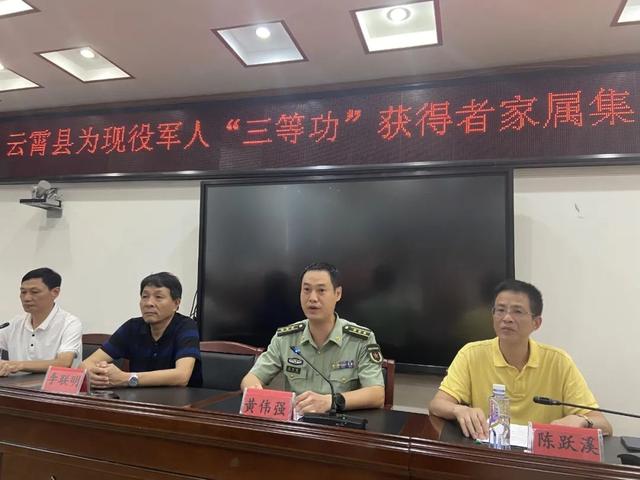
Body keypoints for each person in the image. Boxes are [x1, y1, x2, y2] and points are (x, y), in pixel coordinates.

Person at [429, 279, 612, 438]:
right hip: (490, 454)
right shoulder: (471, 354)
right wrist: (459, 409)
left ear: (536, 323)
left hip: (539, 459)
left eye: (517, 311)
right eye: (500, 310)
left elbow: (604, 425)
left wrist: (581, 420)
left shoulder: (559, 362)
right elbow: (437, 404)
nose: (507, 318)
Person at [241, 262, 385, 414]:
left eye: (321, 290)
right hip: (297, 424)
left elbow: (377, 395)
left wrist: (331, 401)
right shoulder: (285, 338)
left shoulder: (360, 339)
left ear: (337, 294)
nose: (312, 298)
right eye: (307, 290)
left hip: (339, 423)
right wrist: (254, 389)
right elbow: (250, 378)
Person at [81, 272, 202, 388]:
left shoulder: (186, 326)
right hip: (138, 399)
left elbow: (182, 376)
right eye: (145, 296)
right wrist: (96, 373)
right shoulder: (132, 327)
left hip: (182, 400)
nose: (149, 303)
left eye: (158, 297)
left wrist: (126, 378)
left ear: (176, 303)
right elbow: (85, 364)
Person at [0, 267, 82, 376]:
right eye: (23, 292)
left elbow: (63, 363)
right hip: (15, 386)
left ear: (55, 292)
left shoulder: (70, 323)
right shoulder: (14, 323)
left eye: (34, 292)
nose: (26, 298)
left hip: (55, 385)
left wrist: (18, 365)